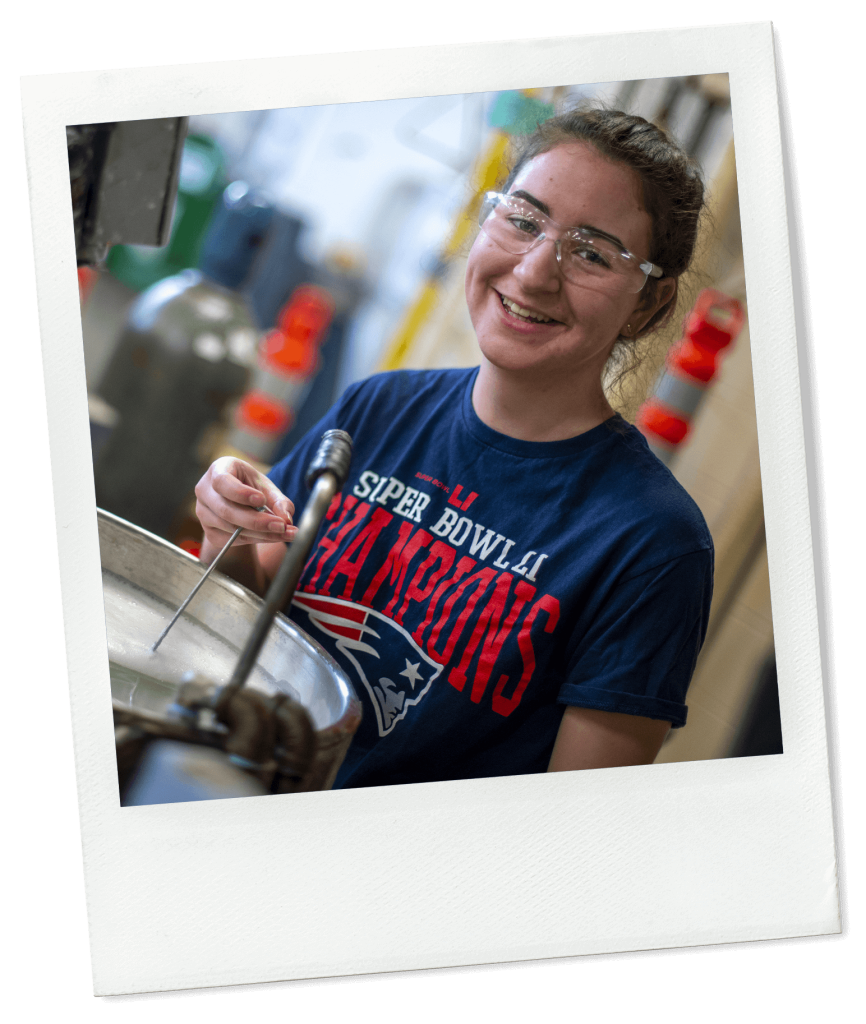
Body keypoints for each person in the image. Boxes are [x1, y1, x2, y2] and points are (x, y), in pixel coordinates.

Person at [194, 106, 714, 788]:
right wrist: (226, 530)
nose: (532, 274)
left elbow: (576, 828)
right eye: (523, 220)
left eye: (590, 252)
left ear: (649, 303)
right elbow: (242, 627)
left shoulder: (652, 546)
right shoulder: (377, 407)